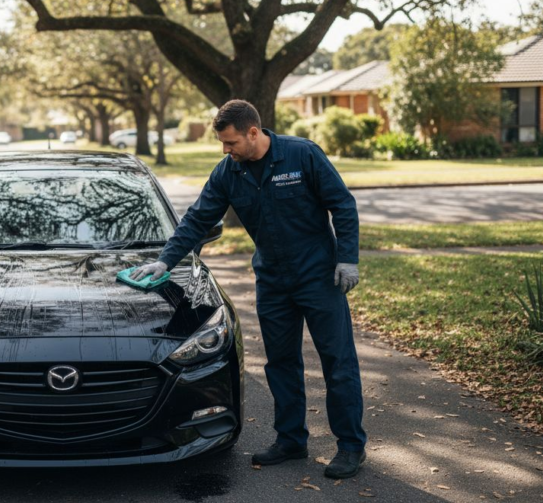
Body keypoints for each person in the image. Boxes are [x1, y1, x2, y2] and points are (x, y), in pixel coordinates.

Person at [132, 99, 367, 479]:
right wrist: (164, 260)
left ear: (253, 132)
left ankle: (351, 446)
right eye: (223, 144)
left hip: (319, 276)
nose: (226, 151)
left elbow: (342, 204)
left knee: (338, 362)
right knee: (280, 362)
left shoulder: (302, 155)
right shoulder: (229, 172)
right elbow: (197, 218)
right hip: (273, 280)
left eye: (231, 143)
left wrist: (348, 258)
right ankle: (291, 439)